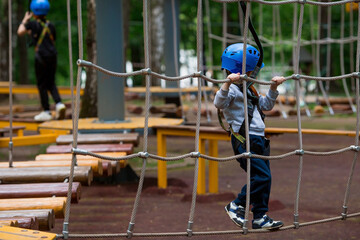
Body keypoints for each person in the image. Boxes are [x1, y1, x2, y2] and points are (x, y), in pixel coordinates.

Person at [214, 43, 286, 230]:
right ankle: (236, 205)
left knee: (263, 178)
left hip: (258, 139)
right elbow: (219, 103)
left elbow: (266, 106)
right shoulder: (231, 90)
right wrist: (228, 82)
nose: (254, 75)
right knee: (262, 178)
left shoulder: (250, 90)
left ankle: (260, 216)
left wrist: (272, 87)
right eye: (253, 72)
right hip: (244, 139)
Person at [17, 0, 66, 121]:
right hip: (52, 56)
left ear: (34, 12)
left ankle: (46, 111)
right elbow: (53, 39)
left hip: (41, 57)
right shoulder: (50, 25)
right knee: (51, 82)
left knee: (42, 84)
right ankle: (59, 104)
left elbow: (20, 31)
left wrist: (25, 20)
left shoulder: (32, 24)